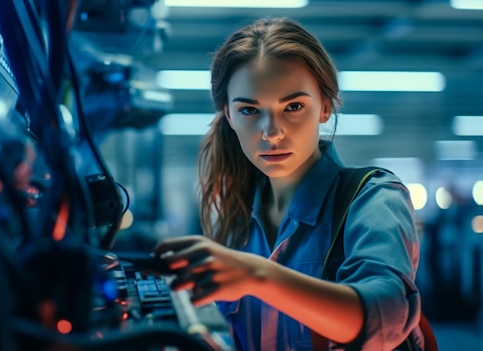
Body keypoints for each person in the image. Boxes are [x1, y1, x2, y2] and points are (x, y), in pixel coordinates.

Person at [153, 17, 424, 350]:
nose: (271, 132)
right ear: (228, 114)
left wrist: (258, 276)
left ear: (325, 107)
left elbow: (386, 317)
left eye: (293, 106)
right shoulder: (234, 219)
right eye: (250, 110)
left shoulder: (372, 199)